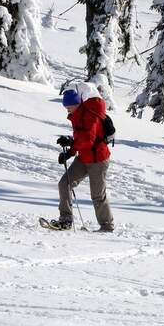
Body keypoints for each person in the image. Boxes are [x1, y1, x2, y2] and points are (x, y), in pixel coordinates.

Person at [48, 83, 114, 232]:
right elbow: (81, 138)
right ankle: (65, 220)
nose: (67, 109)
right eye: (66, 106)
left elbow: (88, 139)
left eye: (70, 106)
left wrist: (72, 145)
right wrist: (70, 152)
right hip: (84, 157)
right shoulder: (78, 115)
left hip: (98, 159)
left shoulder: (91, 114)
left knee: (97, 195)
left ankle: (107, 226)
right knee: (64, 184)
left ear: (77, 103)